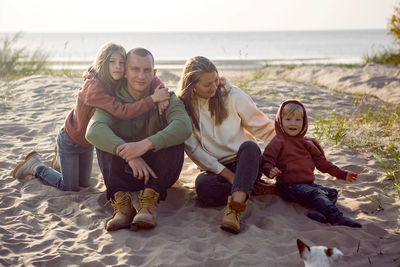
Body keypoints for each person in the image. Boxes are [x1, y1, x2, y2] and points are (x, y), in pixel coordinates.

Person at [11, 42, 170, 191]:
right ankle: (36, 166)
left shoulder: (116, 78)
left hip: (88, 144)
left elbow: (149, 75)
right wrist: (153, 99)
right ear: (102, 62)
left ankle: (60, 160)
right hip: (71, 140)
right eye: (112, 62)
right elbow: (122, 111)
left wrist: (160, 89)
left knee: (84, 185)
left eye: (121, 62)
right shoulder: (93, 89)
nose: (117, 66)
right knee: (69, 187)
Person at [85, 47, 192, 231]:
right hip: (125, 173)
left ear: (154, 73)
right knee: (105, 141)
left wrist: (145, 145)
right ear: (125, 72)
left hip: (159, 174)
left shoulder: (165, 98)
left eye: (147, 70)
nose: (141, 76)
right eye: (135, 69)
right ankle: (122, 205)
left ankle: (149, 203)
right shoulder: (113, 102)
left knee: (173, 138)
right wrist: (129, 153)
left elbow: (184, 127)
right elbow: (93, 130)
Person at [177, 56, 275, 234]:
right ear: (192, 86)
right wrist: (229, 175)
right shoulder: (184, 108)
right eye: (207, 85)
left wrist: (292, 142)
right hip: (215, 168)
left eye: (216, 80)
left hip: (245, 162)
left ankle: (235, 210)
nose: (214, 87)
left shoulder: (233, 95)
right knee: (203, 188)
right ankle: (248, 187)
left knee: (250, 147)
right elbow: (194, 150)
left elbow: (261, 126)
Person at [261, 99, 362, 228]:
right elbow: (266, 161)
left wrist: (342, 174)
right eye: (288, 119)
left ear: (304, 122)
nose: (293, 123)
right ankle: (336, 217)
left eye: (298, 119)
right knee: (317, 194)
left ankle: (316, 211)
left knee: (331, 192)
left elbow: (323, 164)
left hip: (308, 184)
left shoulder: (308, 142)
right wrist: (270, 170)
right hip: (289, 186)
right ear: (280, 120)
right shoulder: (278, 141)